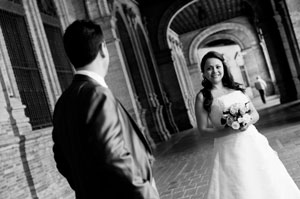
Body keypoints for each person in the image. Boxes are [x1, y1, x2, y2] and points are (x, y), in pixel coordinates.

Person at [52, 20, 160, 199]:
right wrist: (147, 193)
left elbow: (61, 159)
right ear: (103, 48)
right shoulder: (98, 94)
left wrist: (87, 186)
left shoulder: (62, 103)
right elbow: (114, 156)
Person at [195, 51, 300, 199]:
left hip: (252, 141)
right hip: (228, 148)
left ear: (223, 67)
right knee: (240, 184)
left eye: (218, 66)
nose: (214, 71)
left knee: (266, 177)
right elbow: (203, 130)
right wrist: (230, 131)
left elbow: (255, 114)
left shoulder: (236, 88)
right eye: (209, 68)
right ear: (203, 72)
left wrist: (246, 122)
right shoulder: (202, 96)